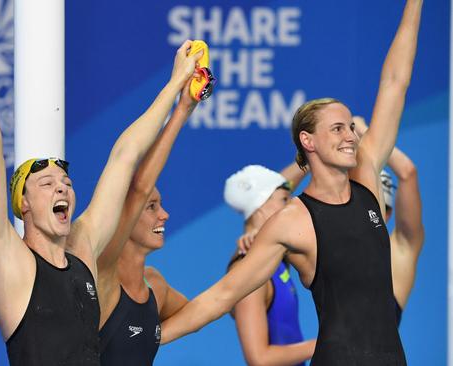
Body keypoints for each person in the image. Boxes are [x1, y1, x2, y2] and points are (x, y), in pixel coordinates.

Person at [159, 1, 422, 365]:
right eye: (337, 128)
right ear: (308, 141)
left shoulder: (367, 184)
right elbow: (223, 295)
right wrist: (153, 339)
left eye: (350, 126)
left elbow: (396, 81)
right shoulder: (292, 221)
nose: (351, 136)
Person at [0, 0, 201, 359]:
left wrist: (175, 86)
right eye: (47, 184)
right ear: (24, 204)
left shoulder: (83, 251)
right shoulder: (10, 260)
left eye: (65, 182)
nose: (61, 186)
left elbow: (124, 157)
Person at [95, 73, 198, 365]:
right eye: (152, 206)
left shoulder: (156, 285)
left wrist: (155, 335)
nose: (164, 214)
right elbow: (139, 187)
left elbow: (202, 310)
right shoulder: (100, 277)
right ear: (124, 218)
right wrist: (182, 108)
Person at [224, 164, 315, 366]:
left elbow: (278, 185)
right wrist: (325, 344)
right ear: (259, 207)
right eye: (285, 200)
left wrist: (310, 155)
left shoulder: (273, 258)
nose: (292, 205)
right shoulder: (247, 272)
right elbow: (259, 359)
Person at [354, 117, 425, 324]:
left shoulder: (400, 249)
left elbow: (407, 172)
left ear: (389, 213)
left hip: (381, 357)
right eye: (362, 206)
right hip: (336, 356)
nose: (368, 214)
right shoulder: (332, 239)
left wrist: (365, 132)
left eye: (376, 208)